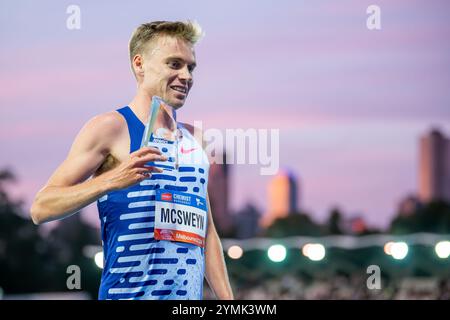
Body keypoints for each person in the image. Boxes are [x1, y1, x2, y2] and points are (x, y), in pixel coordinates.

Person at [30, 20, 234, 300]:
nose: (186, 76)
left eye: (191, 67)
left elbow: (207, 233)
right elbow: (41, 208)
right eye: (174, 64)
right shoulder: (110, 127)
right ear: (139, 64)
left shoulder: (197, 140)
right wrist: (110, 180)